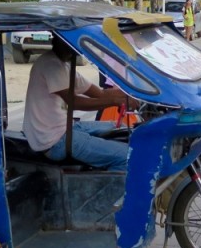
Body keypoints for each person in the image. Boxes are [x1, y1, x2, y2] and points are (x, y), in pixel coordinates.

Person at [23, 35, 130, 170]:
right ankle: (110, 189)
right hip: (54, 140)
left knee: (117, 127)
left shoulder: (64, 65)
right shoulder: (51, 64)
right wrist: (115, 102)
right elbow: (74, 102)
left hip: (64, 128)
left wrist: (130, 95)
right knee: (129, 156)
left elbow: (100, 93)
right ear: (56, 41)